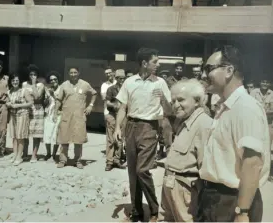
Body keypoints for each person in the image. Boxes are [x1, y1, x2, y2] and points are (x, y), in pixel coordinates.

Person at [198, 45, 270, 222]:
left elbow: (252, 163)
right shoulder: (226, 107)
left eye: (208, 69)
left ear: (229, 70)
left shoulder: (245, 108)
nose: (203, 75)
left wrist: (243, 212)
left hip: (232, 202)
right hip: (215, 198)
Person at [114, 48, 172, 222]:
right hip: (131, 126)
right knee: (133, 172)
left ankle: (154, 210)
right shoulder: (130, 82)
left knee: (142, 170)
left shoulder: (160, 83)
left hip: (150, 127)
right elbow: (122, 107)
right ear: (144, 63)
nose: (158, 64)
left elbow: (169, 110)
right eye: (155, 61)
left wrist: (163, 99)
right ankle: (137, 211)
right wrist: (118, 128)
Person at [162, 79, 212, 222]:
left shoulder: (204, 125)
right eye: (173, 101)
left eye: (181, 100)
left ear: (197, 101)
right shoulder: (183, 121)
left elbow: (206, 169)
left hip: (186, 191)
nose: (175, 105)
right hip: (170, 184)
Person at [54, 67, 97, 169]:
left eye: (75, 72)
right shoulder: (64, 84)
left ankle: (77, 160)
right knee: (64, 138)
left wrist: (90, 105)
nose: (73, 74)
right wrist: (55, 112)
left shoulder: (85, 84)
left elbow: (94, 93)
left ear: (79, 73)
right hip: (66, 115)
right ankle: (63, 160)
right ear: (69, 74)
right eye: (71, 73)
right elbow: (59, 99)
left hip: (79, 116)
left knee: (78, 139)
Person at [7, 74, 33, 166]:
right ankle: (15, 155)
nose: (15, 82)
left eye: (17, 80)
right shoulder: (9, 91)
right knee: (14, 136)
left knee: (20, 136)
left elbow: (30, 103)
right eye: (13, 80)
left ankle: (19, 157)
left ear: (19, 81)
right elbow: (8, 101)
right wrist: (8, 104)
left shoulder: (24, 91)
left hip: (22, 115)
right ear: (11, 82)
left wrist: (18, 105)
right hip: (13, 115)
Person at [104, 69, 127, 171]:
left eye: (123, 78)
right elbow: (107, 102)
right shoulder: (111, 89)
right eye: (119, 78)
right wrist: (115, 105)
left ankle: (117, 160)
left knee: (120, 139)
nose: (122, 80)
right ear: (116, 78)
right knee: (111, 140)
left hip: (123, 117)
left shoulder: (127, 89)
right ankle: (109, 161)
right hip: (113, 115)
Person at [22, 64, 45, 163]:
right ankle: (25, 153)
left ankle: (34, 155)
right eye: (31, 74)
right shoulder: (23, 84)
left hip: (38, 110)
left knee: (36, 134)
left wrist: (34, 83)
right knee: (25, 133)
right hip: (27, 110)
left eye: (34, 74)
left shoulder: (41, 85)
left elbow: (37, 97)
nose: (32, 76)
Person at [43, 72, 61, 161]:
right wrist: (46, 97)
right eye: (51, 80)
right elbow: (45, 103)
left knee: (56, 135)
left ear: (58, 79)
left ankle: (54, 154)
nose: (53, 81)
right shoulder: (48, 89)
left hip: (58, 114)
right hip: (48, 114)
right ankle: (48, 153)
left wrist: (52, 94)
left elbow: (61, 101)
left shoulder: (62, 89)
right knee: (47, 134)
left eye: (55, 79)